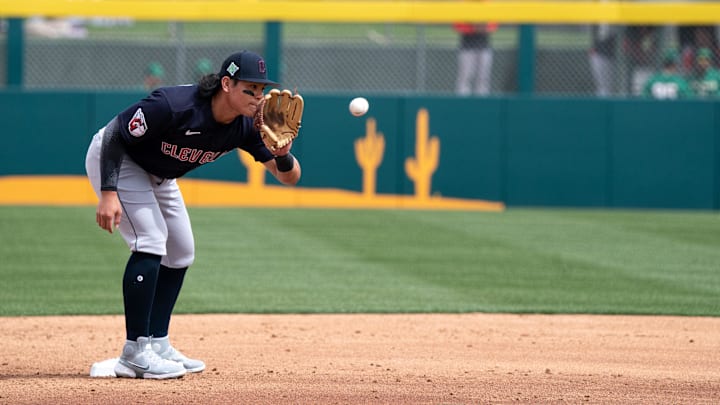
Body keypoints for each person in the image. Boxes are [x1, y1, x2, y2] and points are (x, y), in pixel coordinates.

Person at [85, 50, 302, 379]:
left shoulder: (246, 127)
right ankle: (134, 352)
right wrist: (108, 193)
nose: (258, 98)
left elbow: (289, 176)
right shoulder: (173, 105)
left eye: (261, 90)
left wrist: (283, 154)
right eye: (250, 89)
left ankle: (157, 343)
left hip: (159, 173)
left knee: (182, 250)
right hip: (119, 159)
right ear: (226, 84)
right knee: (151, 239)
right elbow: (116, 133)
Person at [454, 21, 497, 96]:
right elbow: (458, 26)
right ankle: (462, 101)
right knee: (465, 76)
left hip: (484, 47)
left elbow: (493, 26)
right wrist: (472, 26)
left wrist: (483, 27)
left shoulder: (487, 10)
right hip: (467, 47)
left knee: (483, 77)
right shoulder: (465, 9)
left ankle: (482, 100)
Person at [589, 23, 620, 97]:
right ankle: (603, 106)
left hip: (610, 57)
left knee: (608, 88)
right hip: (600, 56)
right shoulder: (604, 24)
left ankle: (605, 104)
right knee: (604, 88)